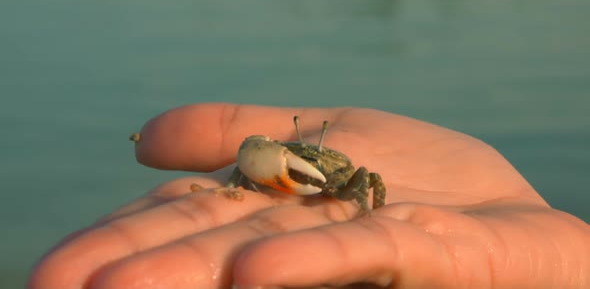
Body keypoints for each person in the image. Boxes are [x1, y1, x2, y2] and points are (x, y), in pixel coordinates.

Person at [28, 103, 589, 289]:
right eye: (304, 150)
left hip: (338, 189)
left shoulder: (347, 173)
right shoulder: (286, 152)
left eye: (316, 151)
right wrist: (255, 176)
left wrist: (367, 207)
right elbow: (257, 153)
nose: (310, 154)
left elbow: (362, 178)